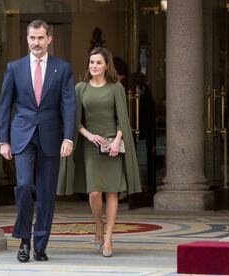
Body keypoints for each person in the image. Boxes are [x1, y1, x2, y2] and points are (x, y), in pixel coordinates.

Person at [0, 19, 76, 263]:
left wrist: (68, 137)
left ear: (49, 39)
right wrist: (3, 140)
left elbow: (69, 106)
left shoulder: (62, 69)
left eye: (41, 38)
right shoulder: (15, 67)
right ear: (27, 38)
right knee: (23, 186)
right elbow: (4, 105)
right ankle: (23, 240)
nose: (36, 43)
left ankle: (40, 244)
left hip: (52, 138)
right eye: (32, 38)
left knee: (45, 193)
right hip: (22, 137)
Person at [57, 47, 141, 257]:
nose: (94, 66)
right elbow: (74, 121)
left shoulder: (116, 88)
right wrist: (89, 135)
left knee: (112, 192)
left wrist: (116, 141)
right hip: (90, 146)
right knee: (95, 191)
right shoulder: (80, 88)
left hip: (112, 144)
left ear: (106, 66)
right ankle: (98, 226)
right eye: (91, 62)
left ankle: (109, 239)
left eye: (98, 63)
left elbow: (123, 119)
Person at [130, 72, 157, 206]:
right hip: (132, 133)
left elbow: (151, 116)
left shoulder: (147, 93)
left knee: (147, 165)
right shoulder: (128, 93)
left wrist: (152, 140)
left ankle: (147, 193)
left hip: (145, 132)